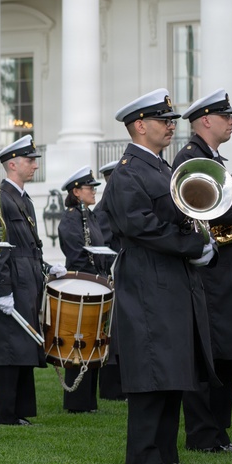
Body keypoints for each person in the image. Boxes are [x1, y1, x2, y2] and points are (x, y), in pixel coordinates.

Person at [102, 89, 217, 464]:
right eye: (163, 121)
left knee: (171, 370)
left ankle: (165, 453)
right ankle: (145, 454)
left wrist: (201, 239)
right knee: (153, 369)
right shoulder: (127, 172)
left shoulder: (161, 168)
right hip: (148, 279)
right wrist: (191, 245)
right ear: (140, 126)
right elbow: (140, 226)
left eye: (170, 121)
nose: (171, 127)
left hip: (169, 278)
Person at [172, 90, 232, 452]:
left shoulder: (212, 158)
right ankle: (202, 434)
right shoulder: (190, 159)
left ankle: (218, 433)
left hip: (225, 268)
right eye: (226, 117)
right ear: (206, 120)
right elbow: (209, 208)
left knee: (224, 355)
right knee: (207, 356)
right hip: (208, 272)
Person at [0, 135, 61, 425]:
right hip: (12, 283)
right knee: (9, 348)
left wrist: (45, 268)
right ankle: (6, 413)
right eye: (29, 160)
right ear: (13, 164)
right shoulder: (0, 199)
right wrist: (2, 289)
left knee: (24, 344)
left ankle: (21, 410)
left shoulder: (22, 199)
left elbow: (29, 245)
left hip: (28, 280)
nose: (34, 165)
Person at [57, 166, 112, 413]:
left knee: (94, 341)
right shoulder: (71, 218)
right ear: (76, 192)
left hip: (96, 281)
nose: (93, 192)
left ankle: (89, 400)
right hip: (82, 284)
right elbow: (76, 253)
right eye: (89, 188)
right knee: (79, 342)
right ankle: (77, 401)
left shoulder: (90, 216)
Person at [93, 159, 124, 401]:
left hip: (120, 273)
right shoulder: (104, 208)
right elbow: (102, 245)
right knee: (112, 335)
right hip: (112, 274)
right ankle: (112, 389)